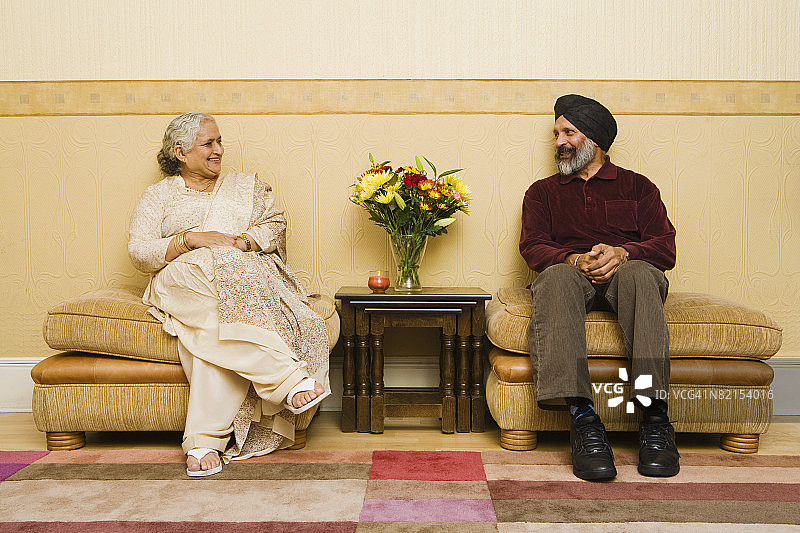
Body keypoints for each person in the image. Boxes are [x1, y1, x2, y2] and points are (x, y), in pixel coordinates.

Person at [129, 112, 330, 477]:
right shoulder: (159, 196)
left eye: (219, 141)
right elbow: (140, 252)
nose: (219, 150)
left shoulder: (245, 187)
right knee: (205, 285)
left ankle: (204, 441)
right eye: (208, 143)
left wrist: (241, 243)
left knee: (211, 331)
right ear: (180, 152)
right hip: (183, 280)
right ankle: (286, 379)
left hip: (239, 279)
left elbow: (274, 225)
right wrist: (190, 240)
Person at [519, 94, 679, 480]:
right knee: (555, 277)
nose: (559, 142)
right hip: (572, 278)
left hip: (628, 277)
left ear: (594, 140)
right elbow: (533, 246)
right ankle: (584, 421)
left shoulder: (639, 187)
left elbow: (665, 246)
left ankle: (654, 418)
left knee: (640, 273)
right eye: (556, 134)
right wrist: (574, 260)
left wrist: (624, 253)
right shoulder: (541, 192)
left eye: (568, 132)